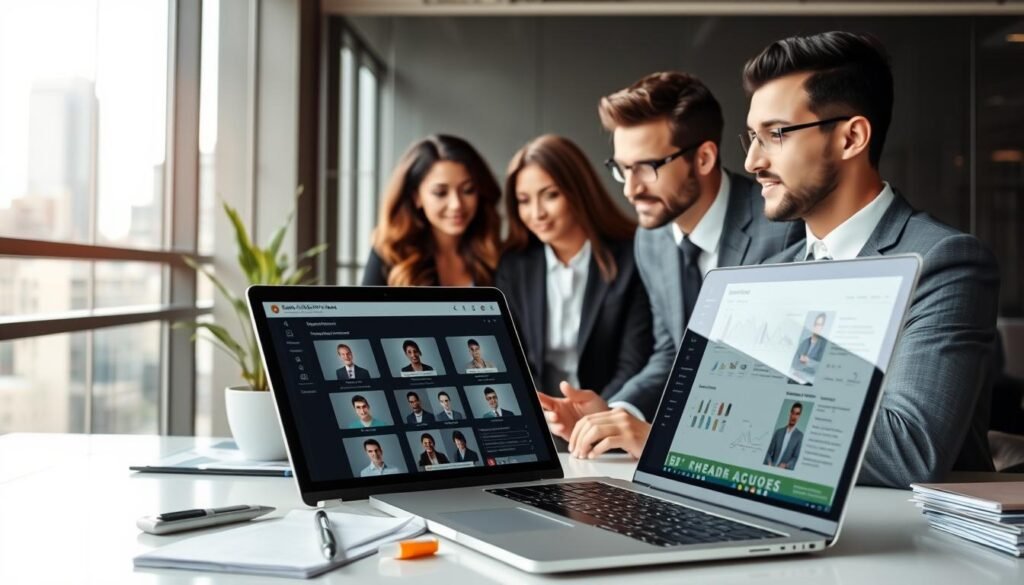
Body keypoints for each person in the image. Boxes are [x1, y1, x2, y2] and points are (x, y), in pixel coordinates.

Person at [742, 32, 999, 486]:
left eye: (775, 134)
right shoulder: (769, 274)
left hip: (905, 526)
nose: (751, 161)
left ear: (852, 138)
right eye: (751, 137)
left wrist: (712, 427)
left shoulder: (944, 262)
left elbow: (909, 448)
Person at [536, 72, 801, 458]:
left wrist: (666, 439)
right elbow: (672, 353)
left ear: (704, 158)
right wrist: (615, 413)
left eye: (647, 167)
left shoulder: (784, 229)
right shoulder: (651, 238)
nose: (630, 189)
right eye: (623, 168)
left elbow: (782, 381)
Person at [496, 134, 653, 402]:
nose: (537, 213)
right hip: (541, 411)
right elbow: (512, 359)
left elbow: (633, 363)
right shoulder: (514, 266)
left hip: (608, 409)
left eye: (550, 195)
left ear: (578, 191)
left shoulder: (631, 257)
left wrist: (595, 414)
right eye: (524, 200)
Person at [363, 134, 502, 286]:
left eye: (468, 190)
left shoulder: (496, 255)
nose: (456, 204)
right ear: (416, 196)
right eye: (440, 193)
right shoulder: (390, 253)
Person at [763, 403, 804, 469]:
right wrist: (769, 462)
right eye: (793, 413)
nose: (794, 416)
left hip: (784, 470)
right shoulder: (778, 432)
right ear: (790, 413)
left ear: (799, 416)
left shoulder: (799, 436)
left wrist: (786, 465)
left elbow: (795, 457)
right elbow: (768, 452)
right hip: (771, 467)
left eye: (797, 414)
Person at [791, 313, 827, 379]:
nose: (817, 327)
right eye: (816, 324)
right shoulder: (805, 342)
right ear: (813, 326)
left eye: (820, 325)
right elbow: (794, 363)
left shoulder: (824, 344)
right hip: (797, 376)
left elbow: (821, 367)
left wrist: (808, 361)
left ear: (823, 328)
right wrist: (808, 365)